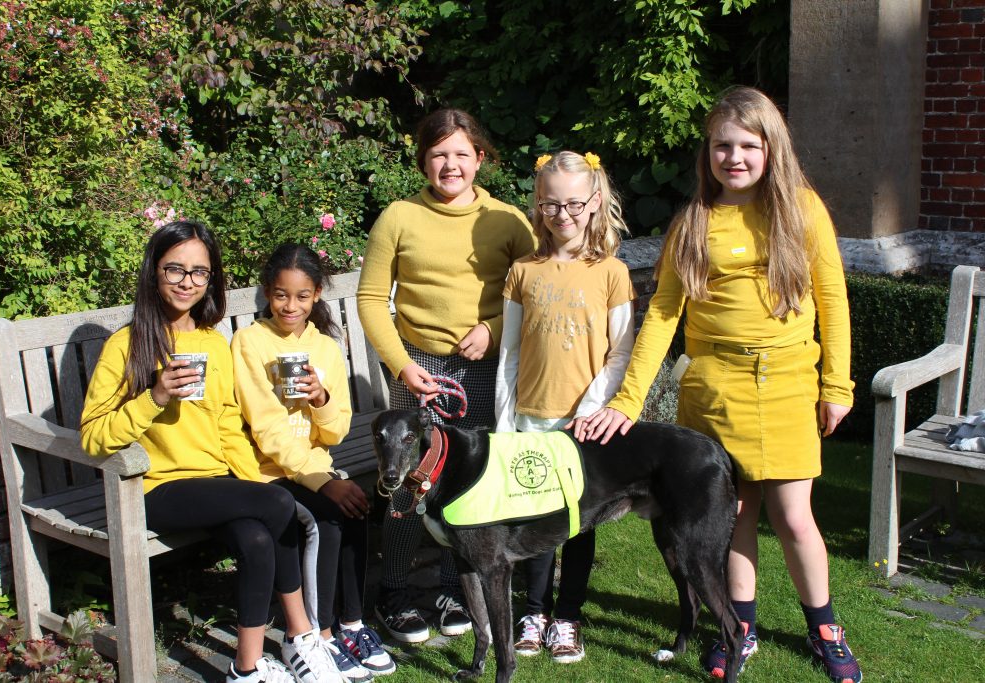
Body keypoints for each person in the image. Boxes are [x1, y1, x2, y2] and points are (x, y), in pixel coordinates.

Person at [578, 87, 862, 683]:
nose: (734, 157)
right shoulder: (694, 222)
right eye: (721, 146)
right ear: (707, 153)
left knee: (794, 517)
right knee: (731, 514)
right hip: (714, 389)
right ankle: (740, 627)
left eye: (747, 146)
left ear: (770, 148)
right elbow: (661, 316)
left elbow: (833, 300)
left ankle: (827, 628)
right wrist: (628, 398)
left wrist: (837, 384)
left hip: (786, 382)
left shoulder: (803, 211)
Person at [80, 222, 340, 683]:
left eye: (199, 272)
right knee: (279, 502)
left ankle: (247, 667)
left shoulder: (212, 343)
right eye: (175, 269)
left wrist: (250, 480)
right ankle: (302, 633)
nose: (187, 281)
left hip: (216, 484)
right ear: (153, 272)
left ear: (210, 280)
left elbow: (227, 427)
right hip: (157, 488)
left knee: (258, 535)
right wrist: (154, 398)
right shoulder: (127, 345)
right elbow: (93, 437)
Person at [357, 108, 536, 642]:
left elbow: (533, 296)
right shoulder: (398, 217)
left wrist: (492, 329)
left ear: (480, 158)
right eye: (439, 154)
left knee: (469, 486)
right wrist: (403, 366)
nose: (450, 164)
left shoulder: (507, 221)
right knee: (407, 485)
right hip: (419, 371)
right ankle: (395, 592)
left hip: (483, 371)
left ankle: (455, 590)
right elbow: (370, 299)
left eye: (461, 153)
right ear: (423, 161)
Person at [494, 150, 635, 664]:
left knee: (577, 522)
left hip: (586, 424)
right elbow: (509, 353)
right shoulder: (522, 271)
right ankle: (534, 610)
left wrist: (596, 406)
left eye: (575, 204)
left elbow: (622, 351)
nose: (564, 215)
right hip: (531, 417)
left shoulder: (612, 272)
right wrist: (507, 425)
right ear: (538, 205)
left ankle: (568, 616)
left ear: (595, 202)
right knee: (535, 519)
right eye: (551, 205)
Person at [232, 243, 395, 681]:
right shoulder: (249, 342)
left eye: (302, 296)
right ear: (267, 292)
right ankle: (315, 637)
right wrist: (322, 482)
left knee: (356, 506)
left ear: (317, 294)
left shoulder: (323, 347)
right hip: (267, 472)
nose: (290, 305)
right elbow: (266, 430)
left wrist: (320, 399)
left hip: (315, 465)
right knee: (325, 520)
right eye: (281, 295)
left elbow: (336, 431)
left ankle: (351, 626)